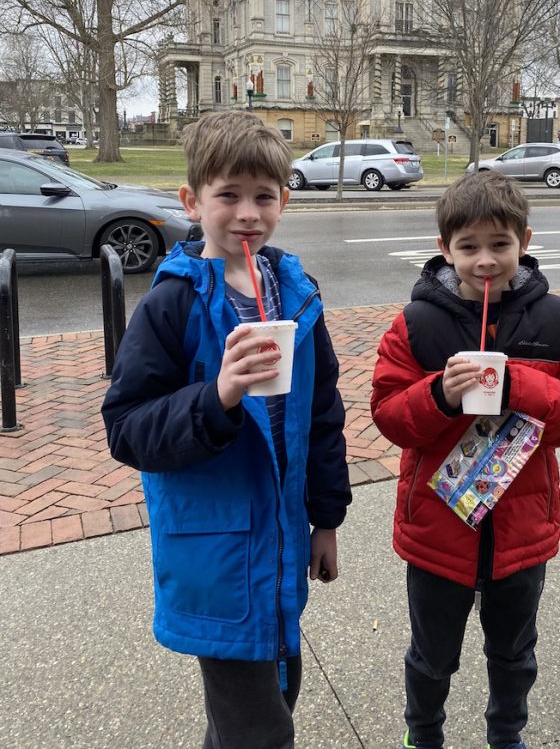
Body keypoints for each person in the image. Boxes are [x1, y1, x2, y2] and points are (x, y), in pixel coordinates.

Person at [102, 110, 351, 749]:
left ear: (284, 202)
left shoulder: (296, 294)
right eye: (228, 196)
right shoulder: (173, 304)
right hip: (215, 553)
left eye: (264, 197)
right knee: (259, 729)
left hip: (283, 543)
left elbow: (323, 415)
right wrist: (217, 396)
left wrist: (325, 520)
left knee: (273, 695)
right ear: (192, 201)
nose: (248, 214)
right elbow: (127, 428)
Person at [370, 170, 560, 749]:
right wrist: (439, 396)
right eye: (468, 247)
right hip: (437, 531)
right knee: (431, 658)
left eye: (499, 245)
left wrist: (522, 384)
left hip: (521, 533)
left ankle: (507, 734)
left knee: (514, 654)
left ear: (524, 241)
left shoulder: (559, 321)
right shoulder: (416, 325)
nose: (484, 261)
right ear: (444, 249)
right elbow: (389, 417)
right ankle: (422, 734)